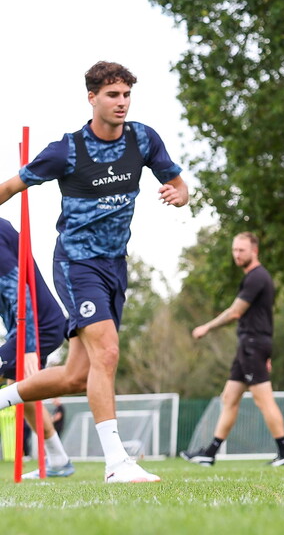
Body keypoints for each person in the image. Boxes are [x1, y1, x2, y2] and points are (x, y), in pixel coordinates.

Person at [0, 61, 190, 483]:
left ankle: (4, 397)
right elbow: (12, 186)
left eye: (126, 95)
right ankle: (116, 463)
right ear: (92, 98)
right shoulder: (67, 149)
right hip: (75, 262)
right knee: (108, 351)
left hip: (114, 266)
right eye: (112, 95)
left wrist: (179, 194)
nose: (121, 103)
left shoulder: (143, 139)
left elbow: (179, 183)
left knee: (75, 376)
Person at [180, 232, 284, 467]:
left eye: (241, 250)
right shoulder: (254, 277)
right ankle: (209, 453)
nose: (236, 254)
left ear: (255, 251)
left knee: (264, 400)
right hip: (250, 346)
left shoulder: (256, 277)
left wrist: (207, 327)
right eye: (234, 250)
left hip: (253, 345)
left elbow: (235, 312)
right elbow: (265, 317)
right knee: (229, 398)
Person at [0, 218, 74, 477]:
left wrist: (29, 345)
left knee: (19, 388)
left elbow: (18, 292)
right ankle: (59, 460)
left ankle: (81, 377)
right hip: (27, 327)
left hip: (37, 327)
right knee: (22, 392)